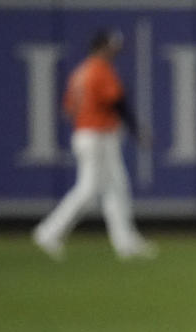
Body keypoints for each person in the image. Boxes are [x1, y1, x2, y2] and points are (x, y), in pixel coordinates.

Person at [33, 28, 156, 261]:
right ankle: (48, 231)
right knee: (89, 190)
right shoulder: (100, 70)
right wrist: (136, 130)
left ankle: (125, 241)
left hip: (88, 134)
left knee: (117, 187)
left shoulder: (80, 73)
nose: (116, 51)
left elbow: (68, 109)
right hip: (98, 136)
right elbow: (118, 103)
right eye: (112, 46)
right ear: (101, 47)